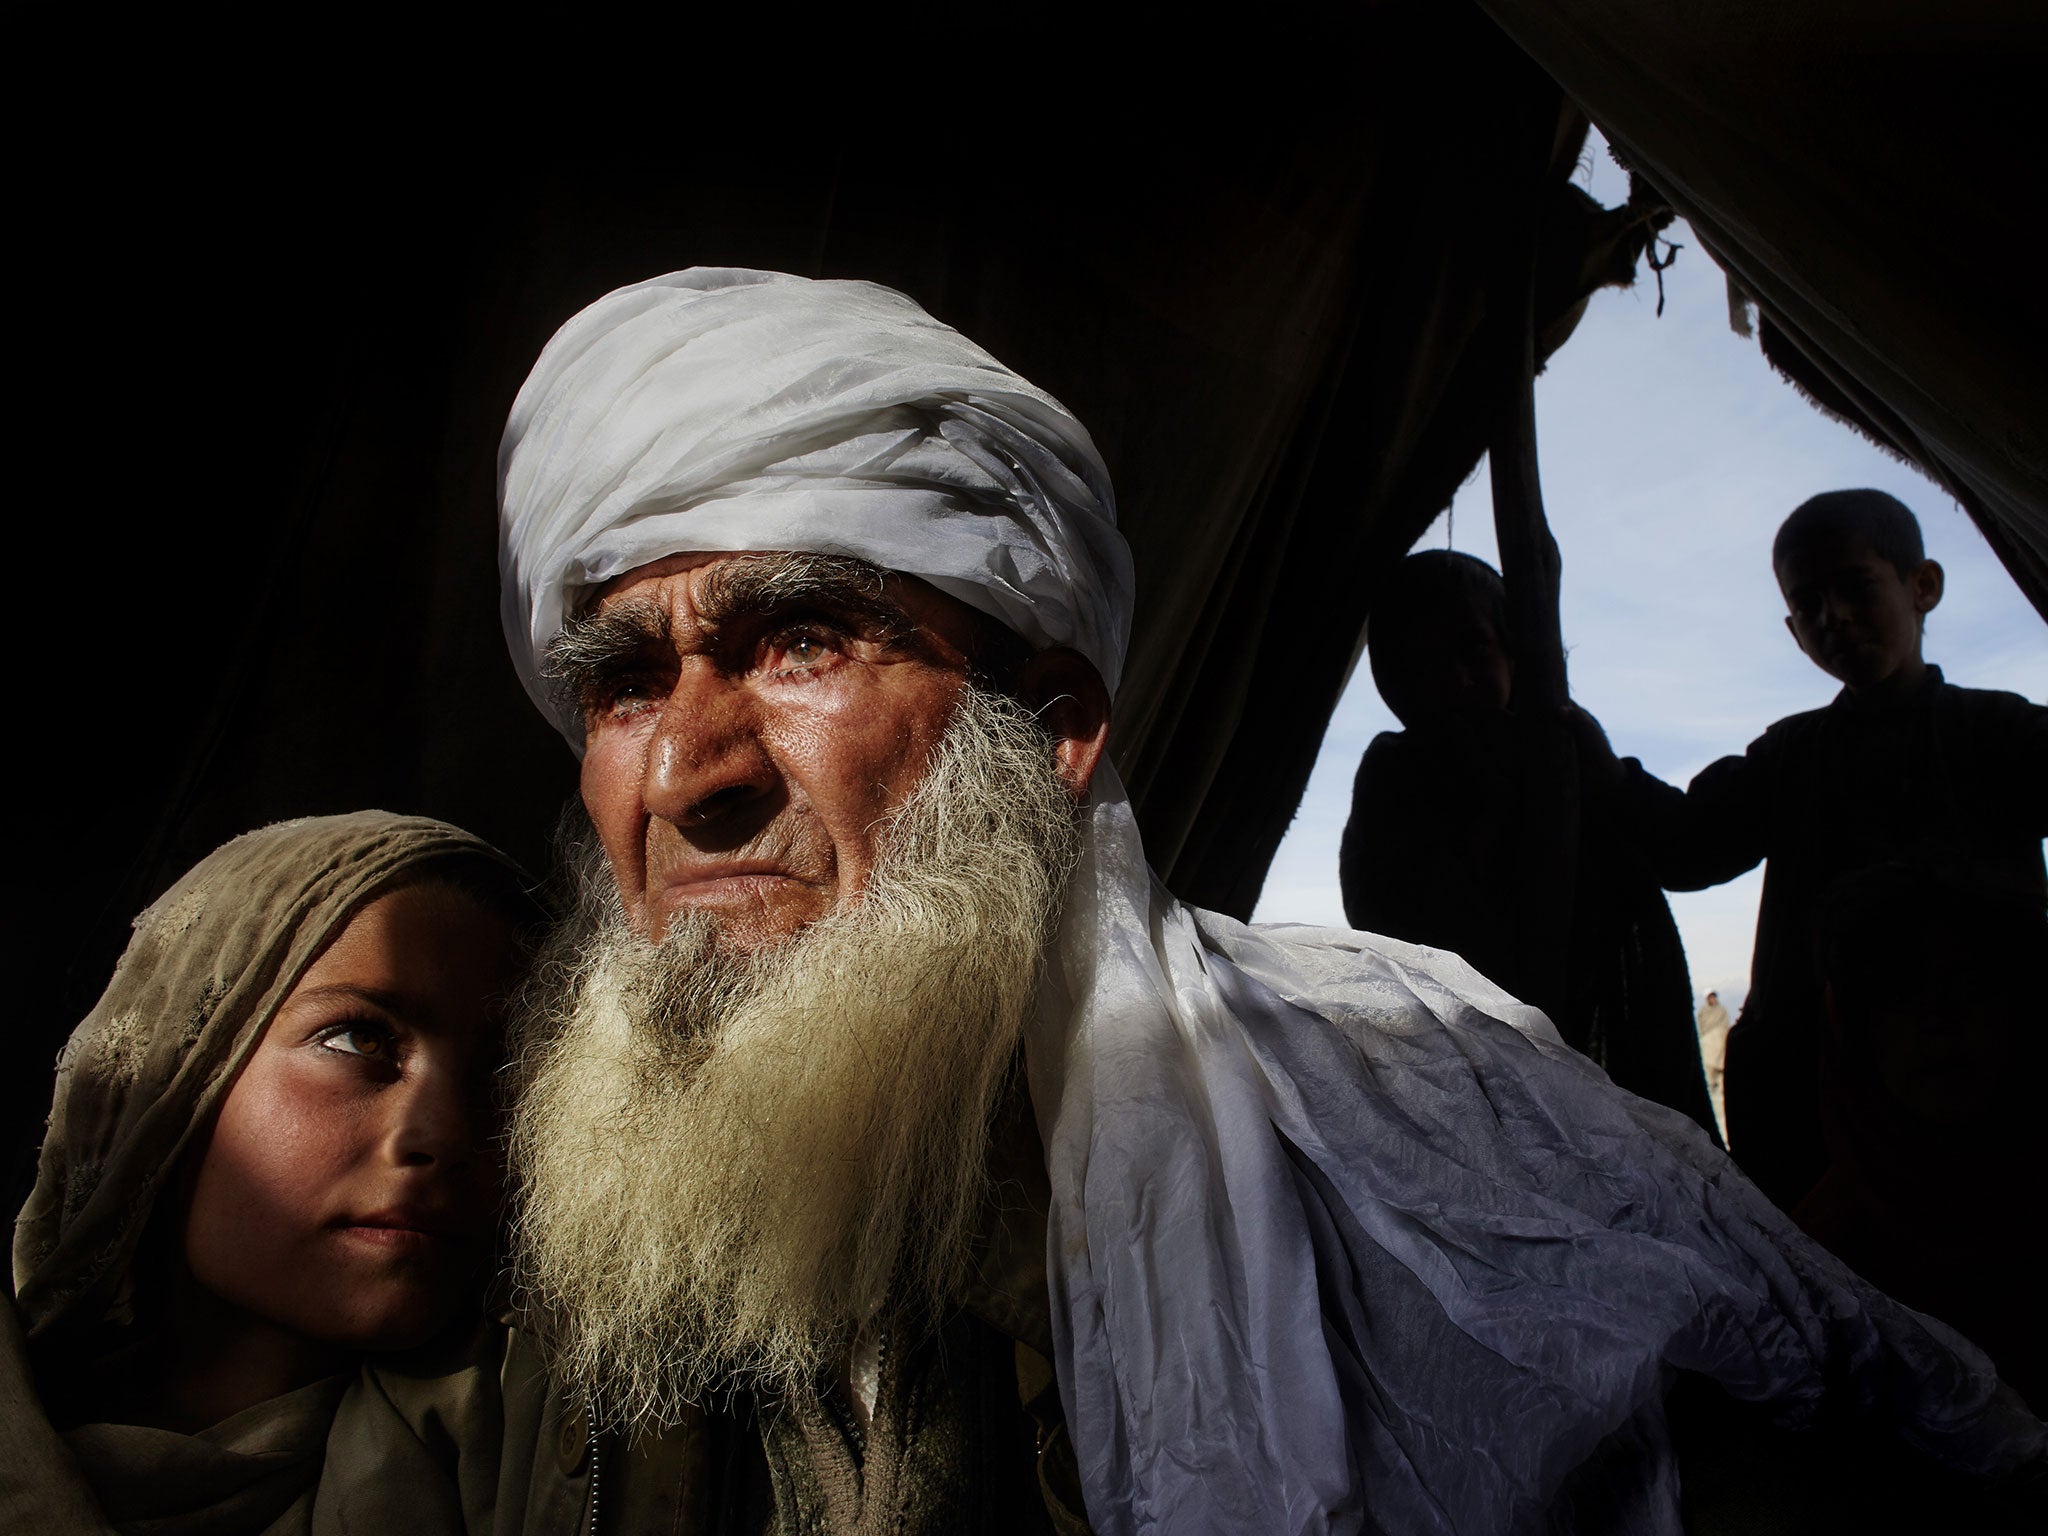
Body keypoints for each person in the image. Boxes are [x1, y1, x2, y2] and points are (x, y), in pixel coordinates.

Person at [494, 270, 2044, 1535]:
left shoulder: (1417, 1103)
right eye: (623, 685)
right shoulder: (581, 1230)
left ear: (1054, 729)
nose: (687, 769)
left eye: (801, 642)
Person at [2, 811, 533, 1535]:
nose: (443, 1134)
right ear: (183, 1073)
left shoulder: (534, 1458)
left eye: (504, 1075)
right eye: (359, 1038)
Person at [1596, 489, 2048, 1209]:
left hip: (1987, 1105)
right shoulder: (1789, 757)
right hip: (1806, 1111)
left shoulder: (1999, 734)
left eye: (1855, 587)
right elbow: (1688, 850)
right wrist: (1596, 763)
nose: (1831, 617)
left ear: (1921, 585)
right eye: (1808, 605)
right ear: (1792, 630)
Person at [1339, 550, 1718, 1135]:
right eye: (1426, 662)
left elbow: (1681, 849)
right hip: (1483, 1054)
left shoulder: (1563, 744)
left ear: (1512, 647)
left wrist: (1608, 777)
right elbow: (1388, 914)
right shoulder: (1398, 771)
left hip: (1609, 1033)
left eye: (1475, 650)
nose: (1459, 678)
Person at [1794, 863, 2046, 1413]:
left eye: (1973, 987)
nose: (1940, 1018)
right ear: (1856, 1029)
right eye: (1901, 993)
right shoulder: (1826, 1265)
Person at [1697, 990, 1732, 1138]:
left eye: (1714, 997)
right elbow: (1702, 1026)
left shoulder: (1721, 1011)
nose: (1713, 999)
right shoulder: (1703, 1012)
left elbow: (1724, 1026)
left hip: (1720, 1047)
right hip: (1709, 1046)